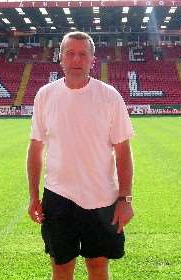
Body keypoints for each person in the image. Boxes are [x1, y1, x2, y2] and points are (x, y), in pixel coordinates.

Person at [26, 31, 134, 280]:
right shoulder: (45, 95)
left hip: (101, 198)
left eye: (83, 54)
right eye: (70, 53)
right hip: (58, 198)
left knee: (97, 267)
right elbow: (35, 149)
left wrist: (125, 199)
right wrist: (33, 197)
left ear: (92, 59)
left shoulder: (109, 97)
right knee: (61, 269)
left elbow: (123, 153)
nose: (76, 59)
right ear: (61, 57)